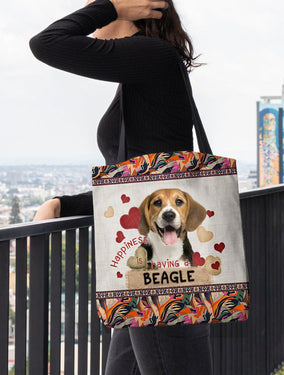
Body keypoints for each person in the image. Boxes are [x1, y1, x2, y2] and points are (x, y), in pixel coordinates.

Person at [30, 0, 213, 374]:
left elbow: (46, 43)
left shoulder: (152, 57)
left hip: (159, 271)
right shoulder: (147, 67)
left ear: (133, 8)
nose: (89, 9)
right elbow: (138, 188)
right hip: (150, 265)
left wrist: (112, 7)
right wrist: (65, 204)